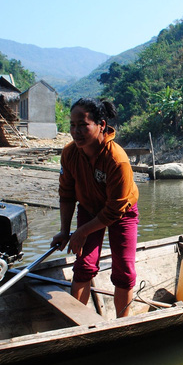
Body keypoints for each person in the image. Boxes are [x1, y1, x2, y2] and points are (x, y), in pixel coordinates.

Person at [51, 98, 139, 318]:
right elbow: (67, 194)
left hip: (121, 213)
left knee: (124, 270)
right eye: (72, 125)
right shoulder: (70, 153)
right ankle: (78, 322)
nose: (76, 131)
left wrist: (81, 232)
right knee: (84, 266)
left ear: (101, 125)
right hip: (89, 208)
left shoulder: (117, 160)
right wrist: (65, 230)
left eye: (83, 125)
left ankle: (122, 325)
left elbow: (113, 211)